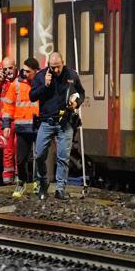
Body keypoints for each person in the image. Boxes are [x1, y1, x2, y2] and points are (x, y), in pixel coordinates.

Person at [30, 52, 83, 200]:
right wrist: (45, 86)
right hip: (46, 121)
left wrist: (76, 103)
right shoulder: (41, 76)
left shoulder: (71, 75)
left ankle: (60, 189)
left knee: (63, 157)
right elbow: (32, 96)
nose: (56, 71)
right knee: (39, 155)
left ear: (63, 63)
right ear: (48, 66)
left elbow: (81, 93)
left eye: (58, 67)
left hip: (65, 121)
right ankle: (43, 183)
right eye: (52, 67)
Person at [4, 56, 40, 197]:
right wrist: (6, 125)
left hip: (38, 126)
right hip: (22, 127)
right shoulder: (16, 84)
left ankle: (38, 183)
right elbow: (8, 105)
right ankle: (22, 183)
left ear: (36, 71)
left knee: (40, 157)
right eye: (23, 70)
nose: (24, 73)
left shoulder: (42, 83)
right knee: (21, 159)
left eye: (28, 71)